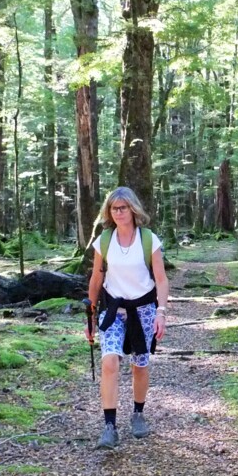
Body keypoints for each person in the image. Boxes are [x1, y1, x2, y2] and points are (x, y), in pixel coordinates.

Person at [84, 187, 169, 449]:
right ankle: (109, 426)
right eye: (113, 208)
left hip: (143, 310)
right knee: (109, 362)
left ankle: (138, 414)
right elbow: (97, 278)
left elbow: (161, 279)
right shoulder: (104, 241)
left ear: (133, 209)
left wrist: (161, 312)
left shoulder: (148, 240)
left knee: (140, 365)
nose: (118, 212)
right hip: (113, 311)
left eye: (123, 207)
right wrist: (90, 316)